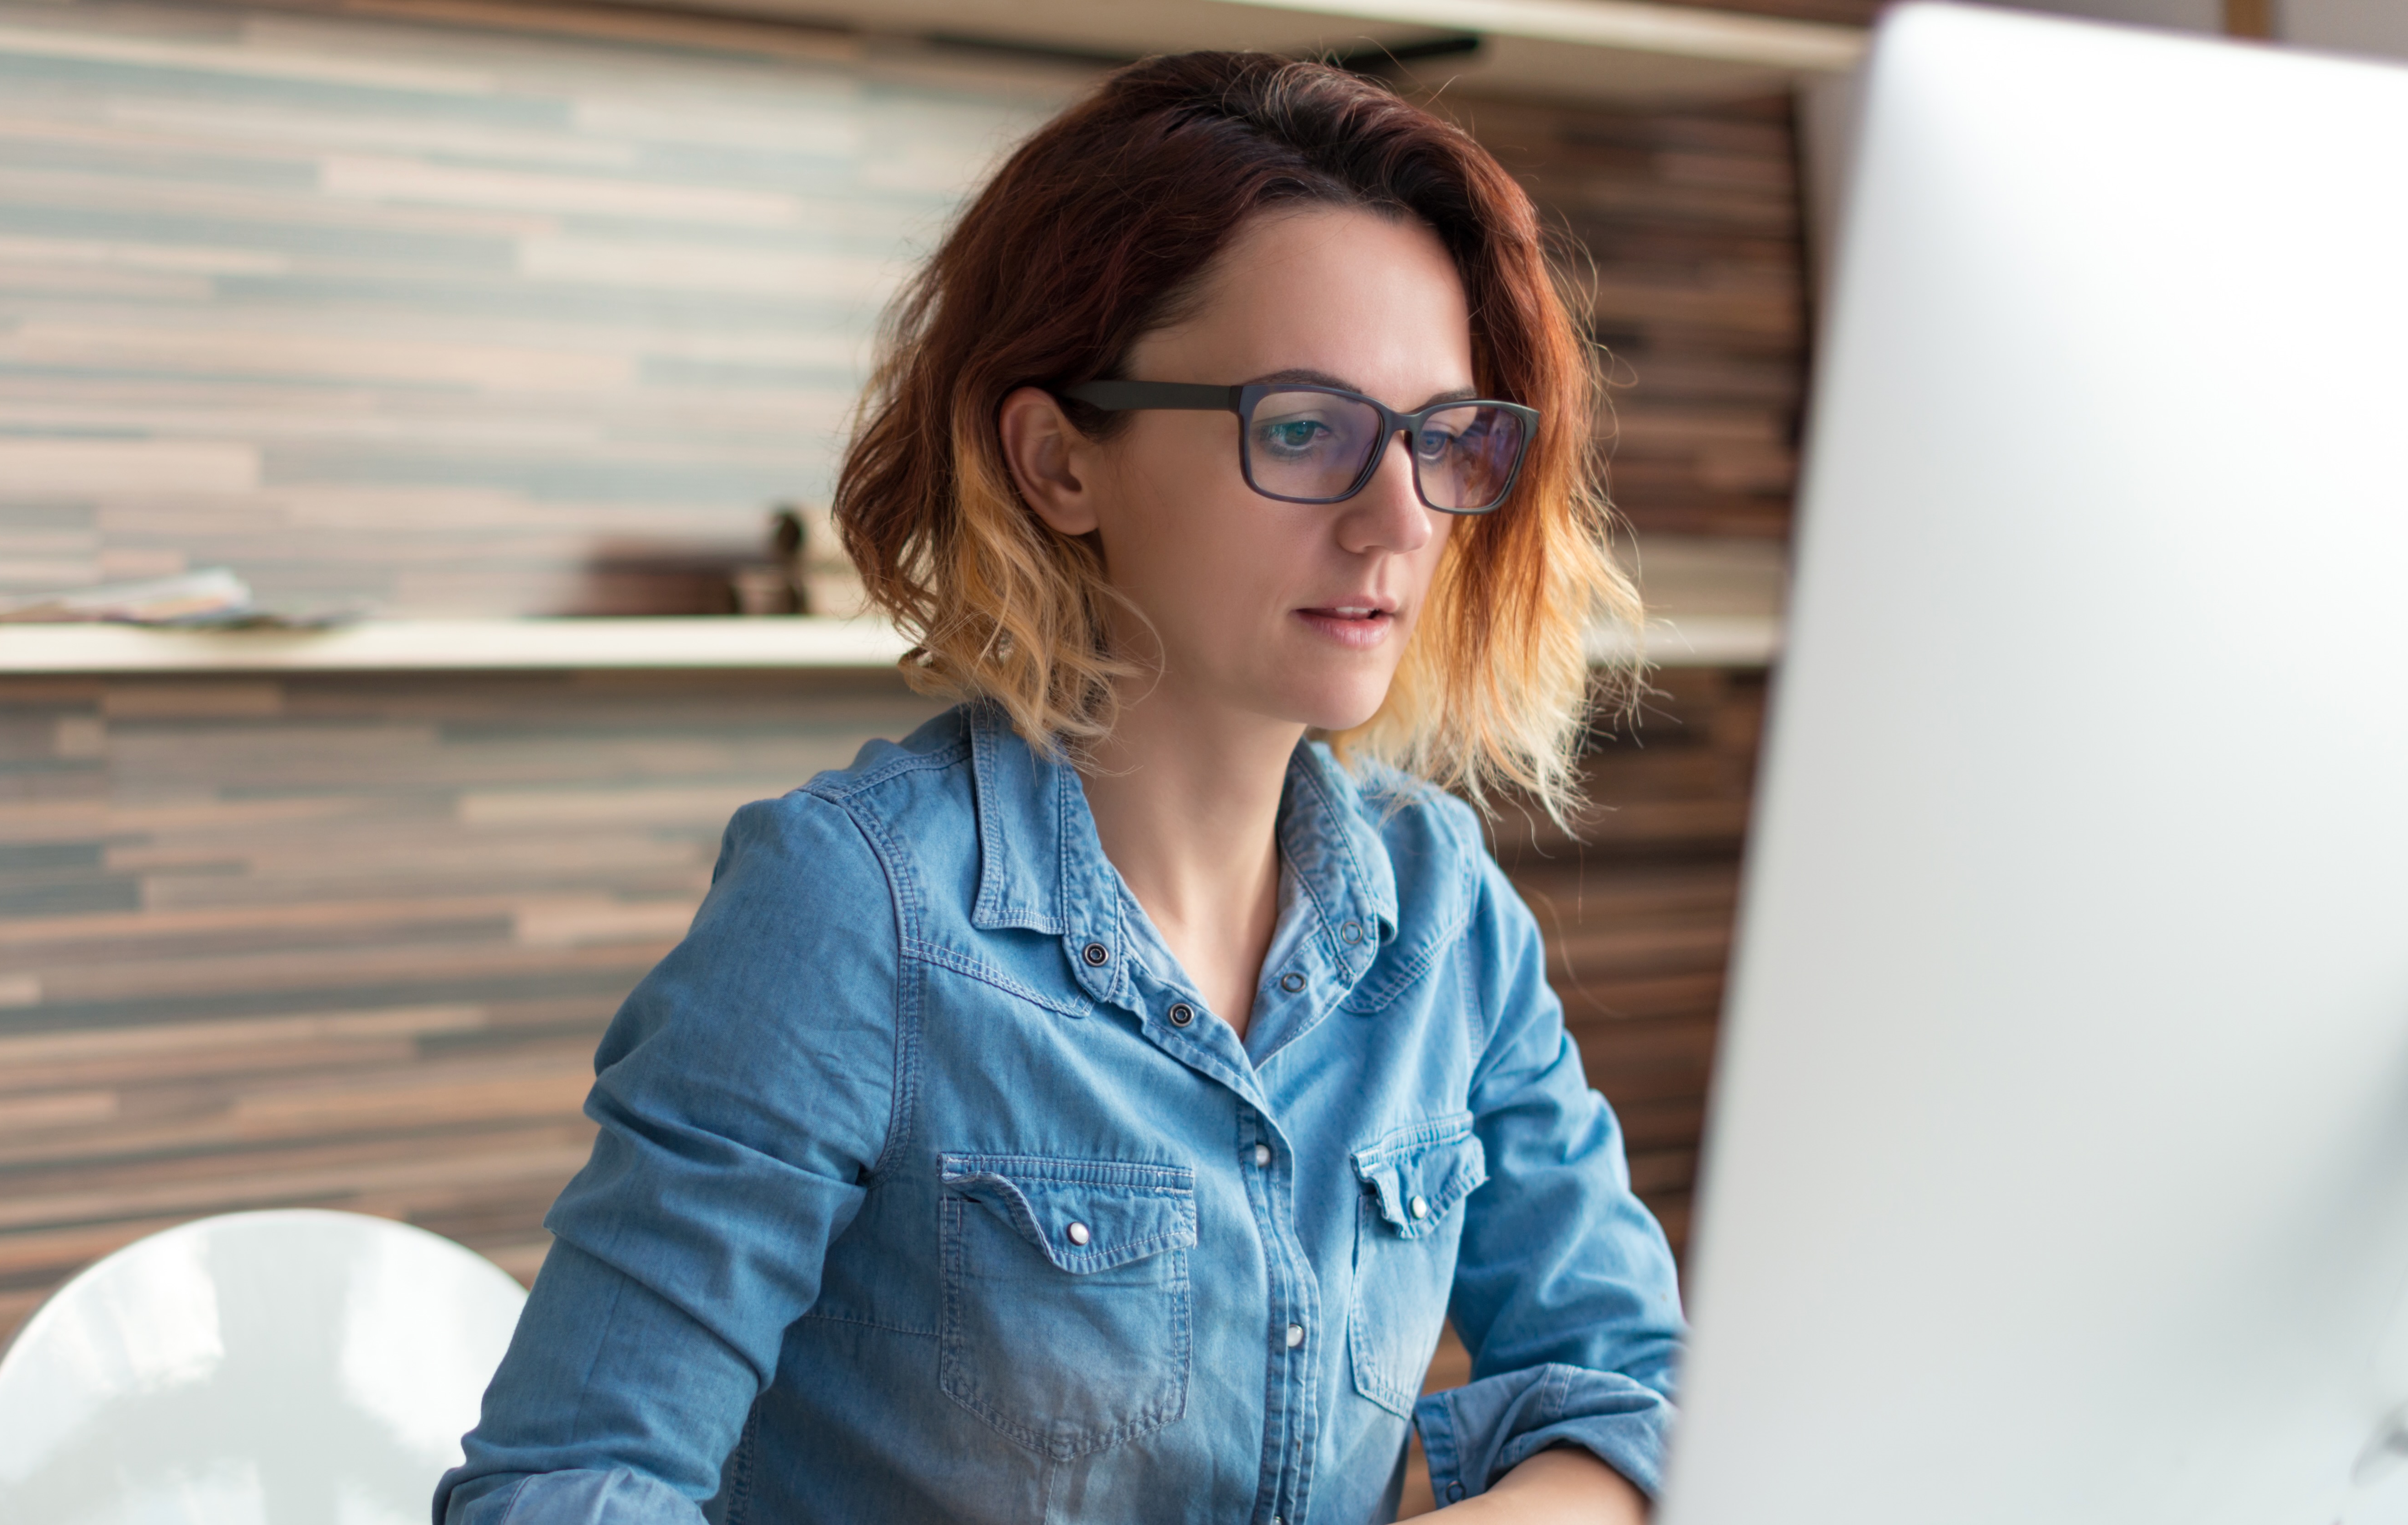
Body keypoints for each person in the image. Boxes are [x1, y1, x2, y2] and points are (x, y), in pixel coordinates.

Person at [437, 51, 1679, 1525]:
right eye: (1303, 429)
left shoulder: (1444, 913)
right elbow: (569, 1487)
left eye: (1442, 437)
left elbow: (1632, 1391)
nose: (1397, 518)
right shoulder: (854, 912)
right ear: (1056, 461)